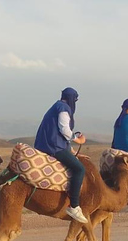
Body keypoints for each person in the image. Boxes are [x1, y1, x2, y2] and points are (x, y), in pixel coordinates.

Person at [34, 87, 89, 224]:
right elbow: (64, 129)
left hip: (48, 144)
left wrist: (71, 150)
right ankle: (74, 206)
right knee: (79, 169)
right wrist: (79, 140)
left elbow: (59, 133)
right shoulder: (63, 108)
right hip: (53, 147)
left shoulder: (56, 106)